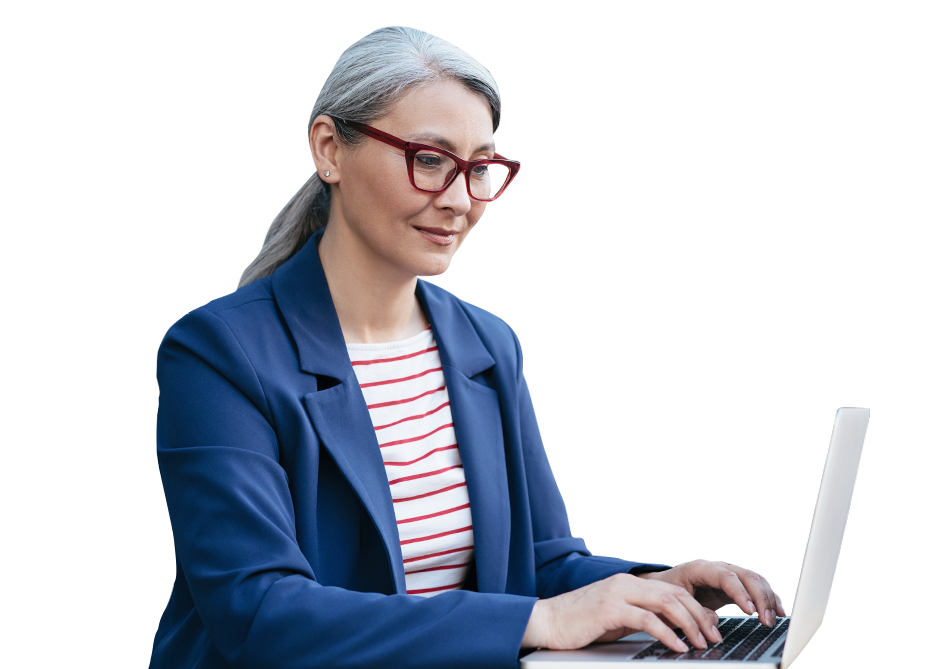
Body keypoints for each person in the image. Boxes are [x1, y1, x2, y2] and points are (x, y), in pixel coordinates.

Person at [150, 25, 784, 669]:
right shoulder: (217, 354)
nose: (459, 200)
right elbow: (261, 615)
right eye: (429, 159)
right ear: (328, 150)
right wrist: (540, 620)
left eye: (479, 167)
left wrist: (653, 587)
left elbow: (542, 560)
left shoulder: (484, 344)